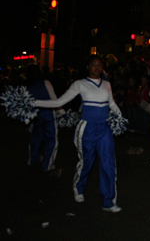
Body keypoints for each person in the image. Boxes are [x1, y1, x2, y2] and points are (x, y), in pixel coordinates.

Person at [35, 55, 122, 213]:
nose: (96, 68)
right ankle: (79, 188)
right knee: (86, 162)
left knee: (109, 164)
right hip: (86, 128)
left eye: (99, 65)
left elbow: (111, 103)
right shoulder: (79, 84)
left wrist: (120, 118)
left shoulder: (107, 84)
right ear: (87, 67)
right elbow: (59, 102)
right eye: (93, 65)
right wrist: (34, 102)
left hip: (104, 128)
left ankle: (108, 201)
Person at [25, 64, 59, 171]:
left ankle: (33, 159)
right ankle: (47, 164)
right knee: (51, 139)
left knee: (36, 136)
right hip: (48, 113)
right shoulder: (45, 82)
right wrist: (62, 113)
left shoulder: (26, 85)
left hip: (35, 114)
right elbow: (54, 99)